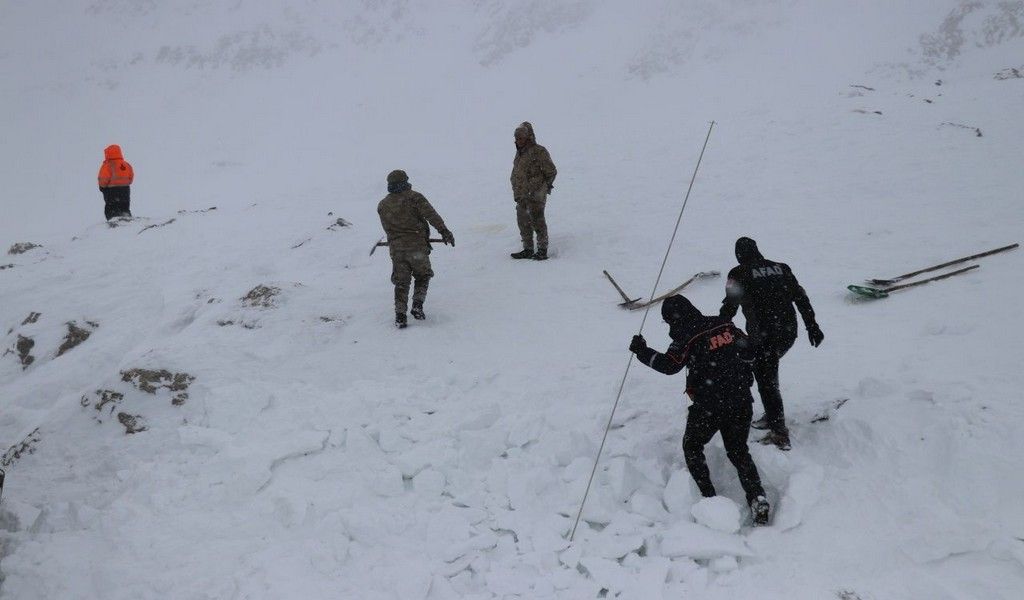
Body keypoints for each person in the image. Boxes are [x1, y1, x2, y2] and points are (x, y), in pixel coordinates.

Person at [630, 295, 770, 525]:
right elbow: (750, 350)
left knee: (692, 446)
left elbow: (670, 365)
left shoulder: (687, 336)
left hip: (709, 405)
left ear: (674, 319)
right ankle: (757, 497)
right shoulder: (724, 324)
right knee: (738, 450)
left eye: (668, 322)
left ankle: (709, 500)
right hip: (741, 400)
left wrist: (642, 351)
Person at [719, 237, 824, 450]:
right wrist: (812, 325)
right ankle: (773, 414)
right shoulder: (781, 268)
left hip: (763, 335)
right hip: (787, 332)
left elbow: (730, 306)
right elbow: (801, 298)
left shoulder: (738, 273)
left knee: (765, 377)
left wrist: (719, 327)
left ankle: (779, 432)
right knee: (765, 369)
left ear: (739, 255)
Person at [377, 170, 454, 329]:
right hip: (417, 247)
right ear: (405, 181)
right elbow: (431, 215)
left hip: (397, 250)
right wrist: (444, 232)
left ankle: (400, 315)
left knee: (401, 282)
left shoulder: (382, 205)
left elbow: (388, 229)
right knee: (423, 275)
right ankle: (417, 305)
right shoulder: (414, 197)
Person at [509, 121, 557, 261]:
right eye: (516, 139)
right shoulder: (519, 154)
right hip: (522, 195)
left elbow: (551, 171)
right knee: (523, 221)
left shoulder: (539, 151)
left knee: (538, 221)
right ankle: (528, 249)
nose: (518, 141)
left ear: (528, 137)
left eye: (521, 138)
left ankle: (542, 250)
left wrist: (543, 188)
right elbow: (517, 173)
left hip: (535, 195)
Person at [97, 144, 134, 220]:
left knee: (112, 209)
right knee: (124, 207)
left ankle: (113, 225)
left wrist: (102, 187)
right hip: (125, 191)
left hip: (112, 192)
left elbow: (103, 179)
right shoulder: (126, 165)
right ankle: (127, 219)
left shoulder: (107, 165)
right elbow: (131, 178)